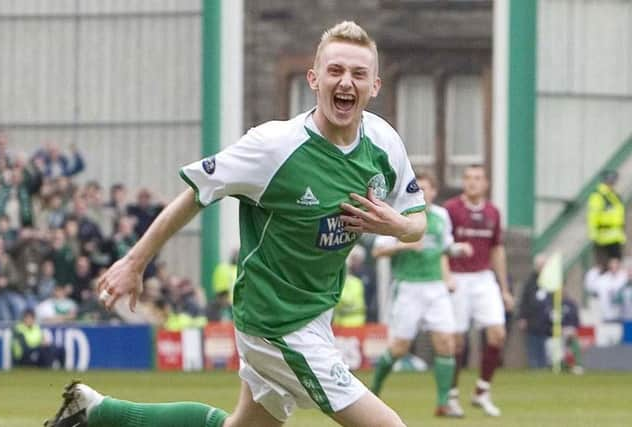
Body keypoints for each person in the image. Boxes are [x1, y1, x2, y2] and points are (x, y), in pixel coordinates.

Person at [45, 21, 427, 427]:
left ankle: (96, 412)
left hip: (315, 314)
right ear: (314, 79)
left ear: (375, 86)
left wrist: (398, 227)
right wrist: (135, 262)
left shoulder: (383, 142)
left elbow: (417, 220)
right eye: (335, 71)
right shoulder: (274, 147)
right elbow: (197, 191)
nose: (345, 82)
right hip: (275, 322)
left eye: (358, 74)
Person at [369, 171, 472, 417]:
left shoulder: (440, 216)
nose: (423, 193)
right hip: (408, 287)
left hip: (435, 287)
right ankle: (373, 391)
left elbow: (443, 246)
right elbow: (378, 252)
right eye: (419, 188)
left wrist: (458, 250)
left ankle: (443, 402)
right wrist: (404, 244)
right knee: (400, 348)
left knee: (446, 342)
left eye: (427, 188)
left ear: (434, 191)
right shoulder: (398, 216)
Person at [444, 164, 514, 417]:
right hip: (458, 278)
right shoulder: (451, 210)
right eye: (468, 177)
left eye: (477, 178)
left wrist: (504, 288)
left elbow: (497, 250)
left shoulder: (493, 212)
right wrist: (446, 276)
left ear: (486, 184)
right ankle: (451, 395)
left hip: (484, 279)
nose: (472, 182)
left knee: (497, 334)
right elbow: (442, 245)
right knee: (457, 342)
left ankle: (482, 390)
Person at [518, 254, 551, 369]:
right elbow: (524, 300)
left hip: (545, 321)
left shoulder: (550, 281)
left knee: (544, 345)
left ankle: (544, 365)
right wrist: (522, 317)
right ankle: (534, 366)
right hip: (532, 320)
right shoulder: (530, 281)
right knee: (532, 345)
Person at [587, 170, 625, 270]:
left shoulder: (613, 195)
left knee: (616, 263)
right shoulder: (598, 195)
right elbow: (593, 216)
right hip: (603, 235)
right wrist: (593, 233)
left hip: (615, 234)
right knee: (605, 265)